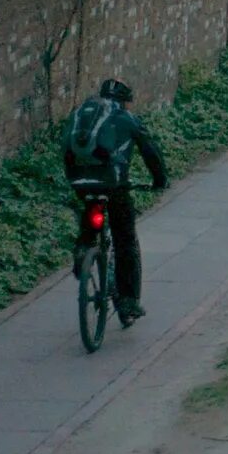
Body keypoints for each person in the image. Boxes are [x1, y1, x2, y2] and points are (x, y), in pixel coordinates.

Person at [61, 78, 167, 325]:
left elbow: (65, 146)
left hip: (79, 181)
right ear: (124, 101)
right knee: (125, 239)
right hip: (113, 185)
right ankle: (128, 301)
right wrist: (159, 179)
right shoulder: (124, 118)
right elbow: (150, 149)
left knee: (91, 215)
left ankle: (83, 251)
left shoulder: (82, 113)